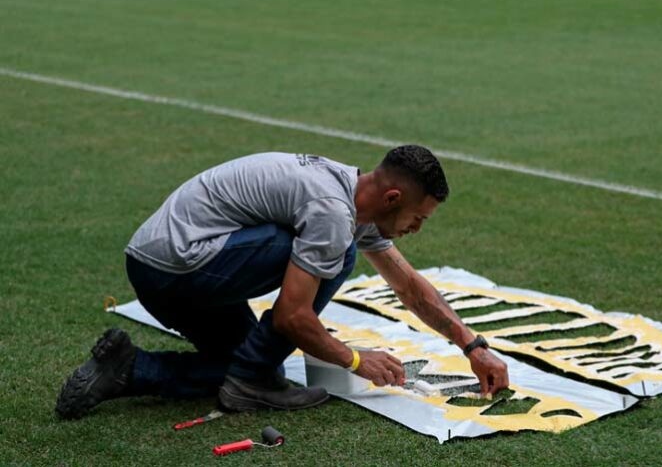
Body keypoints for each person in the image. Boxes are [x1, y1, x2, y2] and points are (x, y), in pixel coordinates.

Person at [55, 145, 509, 418]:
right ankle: (251, 380)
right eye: (418, 217)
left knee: (250, 366)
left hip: (164, 264)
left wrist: (471, 344)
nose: (417, 228)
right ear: (393, 197)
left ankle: (129, 369)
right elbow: (292, 317)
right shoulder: (334, 212)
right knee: (339, 254)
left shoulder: (355, 198)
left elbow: (409, 287)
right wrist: (356, 360)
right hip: (177, 268)